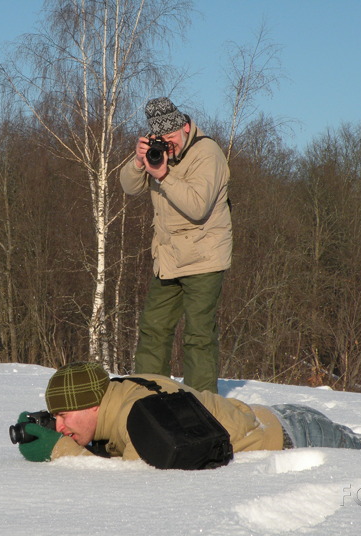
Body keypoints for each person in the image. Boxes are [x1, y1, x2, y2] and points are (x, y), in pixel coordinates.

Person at [16, 362, 361, 465]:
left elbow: (145, 470)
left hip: (297, 437)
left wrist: (61, 452)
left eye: (63, 417)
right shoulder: (127, 390)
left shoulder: (141, 420)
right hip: (285, 421)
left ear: (92, 405)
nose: (59, 426)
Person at [119, 97, 232, 394]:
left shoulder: (207, 152)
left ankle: (201, 404)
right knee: (153, 328)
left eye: (171, 138)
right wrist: (138, 161)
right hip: (168, 259)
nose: (168, 146)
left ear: (185, 127)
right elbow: (129, 187)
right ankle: (146, 397)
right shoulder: (160, 155)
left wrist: (164, 175)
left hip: (205, 259)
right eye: (162, 140)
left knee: (198, 335)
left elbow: (197, 206)